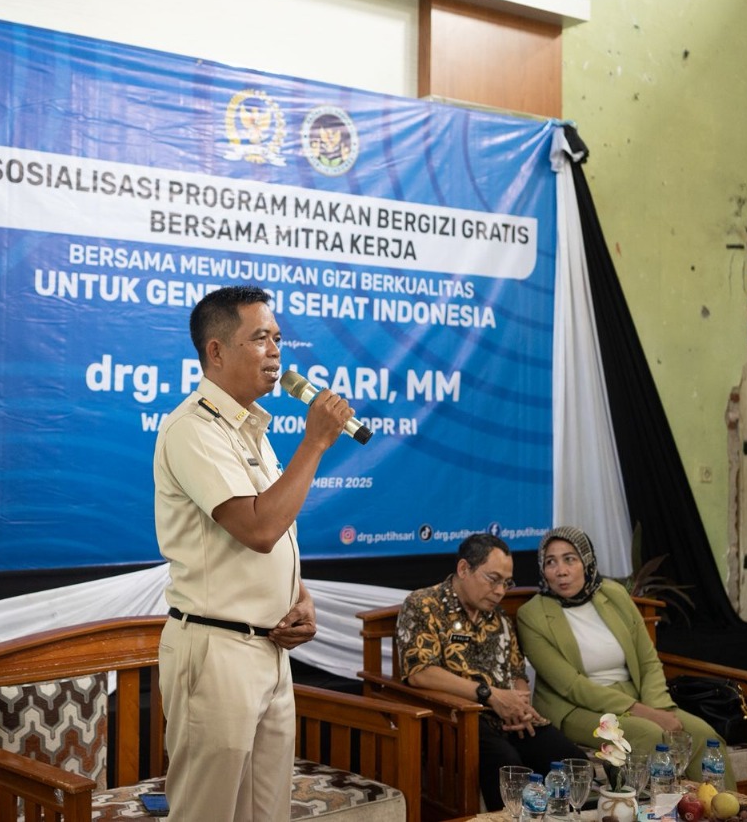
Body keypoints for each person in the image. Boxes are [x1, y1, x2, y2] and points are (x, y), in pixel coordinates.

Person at [153, 285, 354, 822]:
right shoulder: (192, 429)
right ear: (215, 351)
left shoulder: (253, 429)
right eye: (260, 338)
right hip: (218, 652)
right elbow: (259, 528)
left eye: (279, 338)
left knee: (268, 815)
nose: (276, 352)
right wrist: (314, 443)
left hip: (271, 649)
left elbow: (277, 536)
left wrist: (301, 597)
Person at [516, 526, 736, 789]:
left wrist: (660, 708)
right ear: (542, 569)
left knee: (700, 733)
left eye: (570, 559)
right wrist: (644, 713)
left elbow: (647, 659)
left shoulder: (614, 594)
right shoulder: (532, 615)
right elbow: (572, 686)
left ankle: (724, 809)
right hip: (577, 708)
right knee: (651, 734)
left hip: (637, 697)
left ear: (586, 562)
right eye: (551, 562)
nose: (561, 570)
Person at [396, 532, 581, 811]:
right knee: (510, 767)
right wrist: (489, 694)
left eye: (507, 583)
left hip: (507, 716)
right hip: (457, 719)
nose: (500, 591)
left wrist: (519, 702)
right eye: (493, 580)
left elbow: (517, 670)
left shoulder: (499, 617)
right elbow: (419, 672)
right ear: (463, 569)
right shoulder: (423, 605)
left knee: (571, 761)